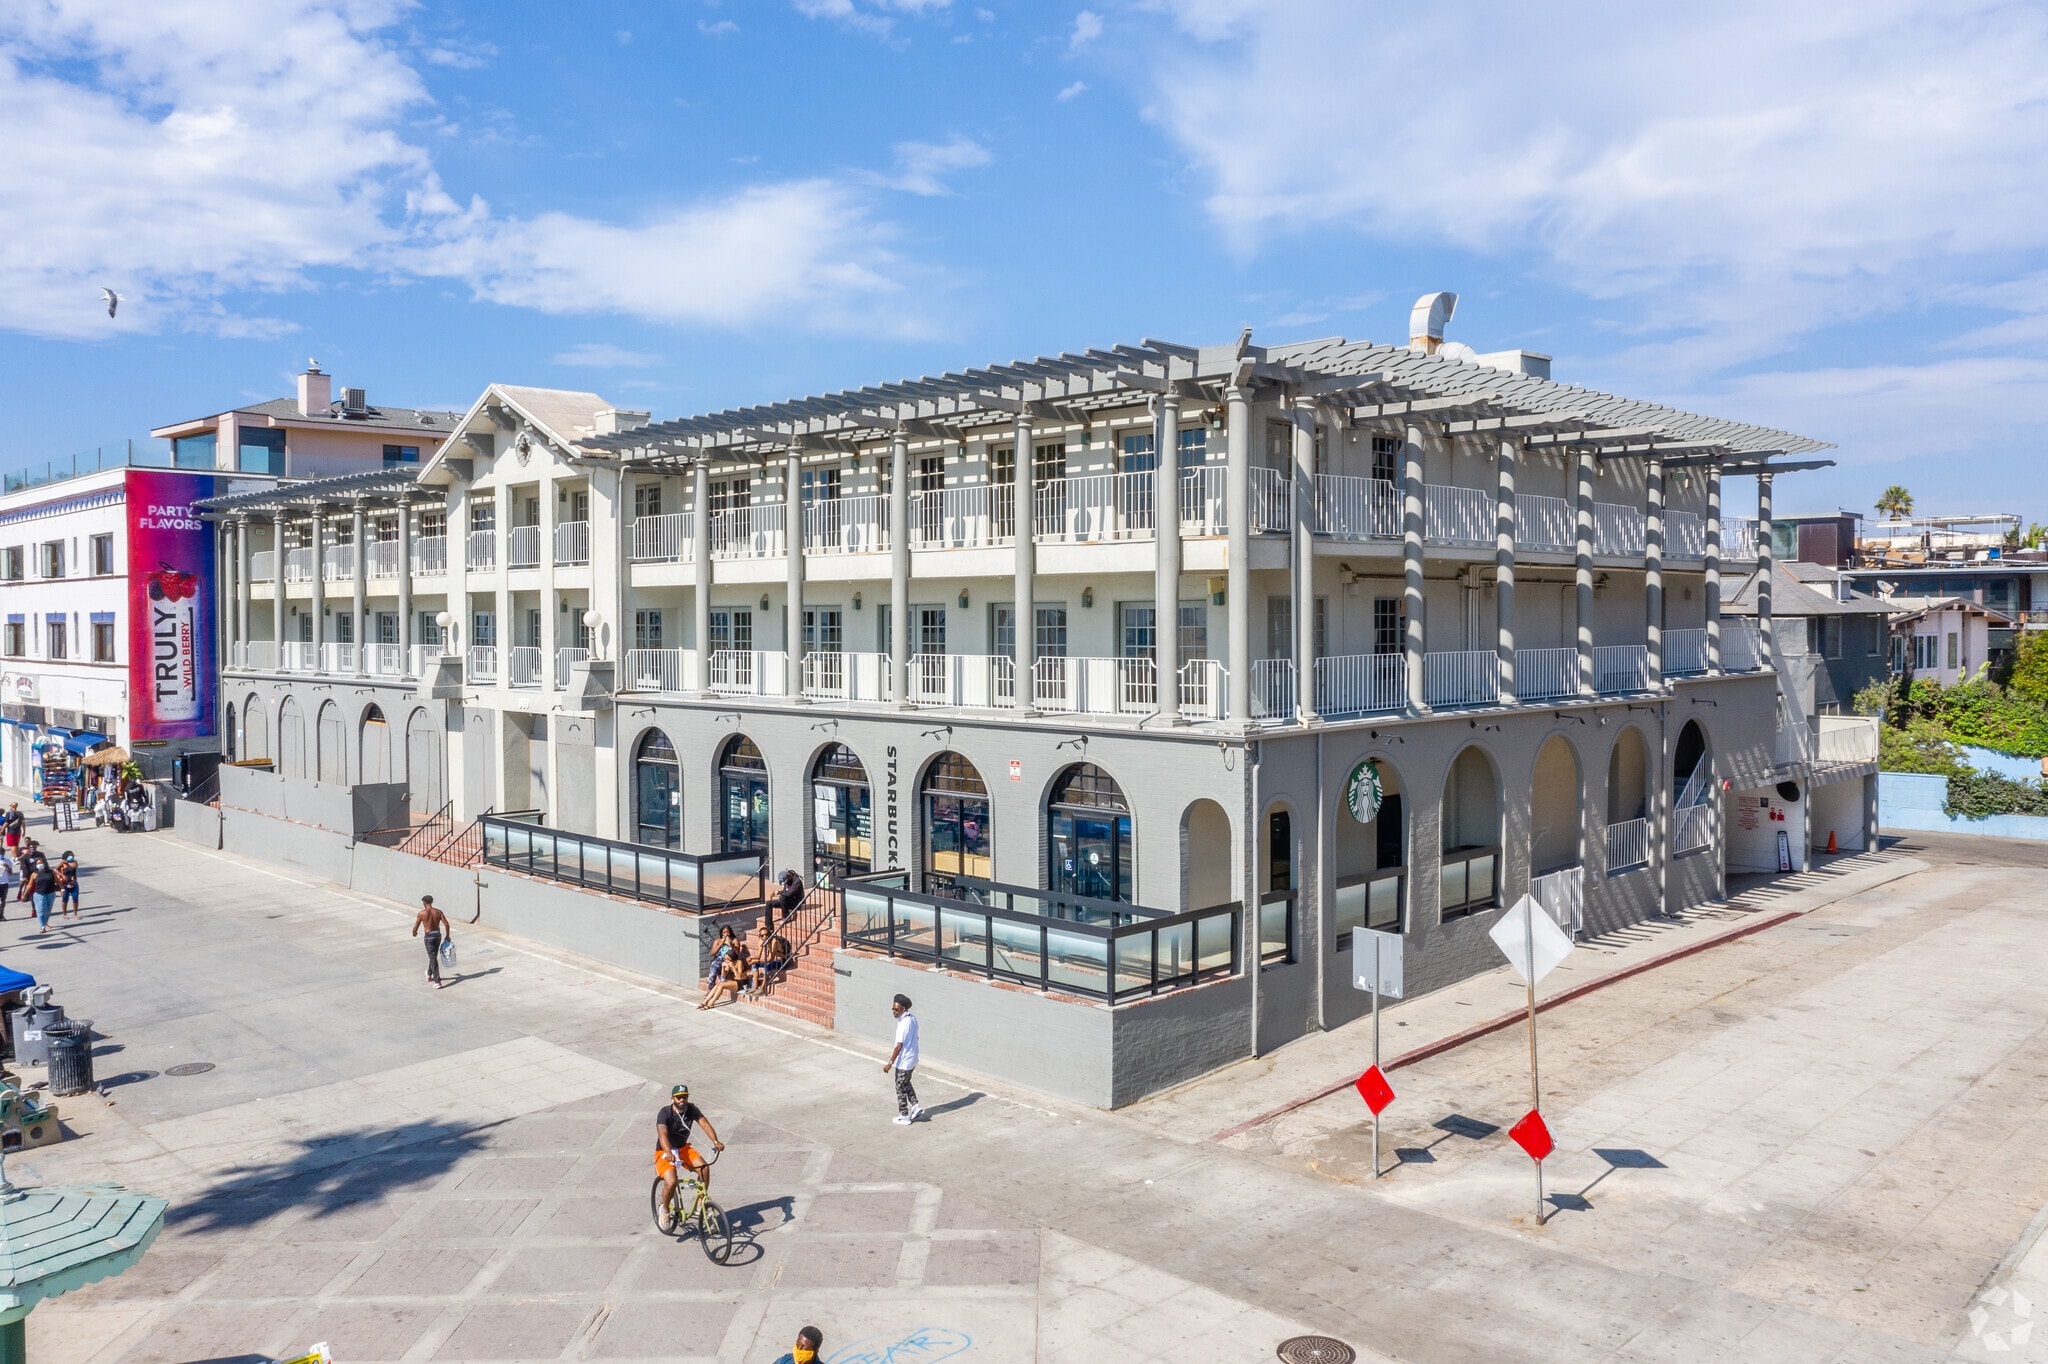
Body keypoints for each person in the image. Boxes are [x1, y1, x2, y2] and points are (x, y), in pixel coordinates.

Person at [654, 1082, 724, 1211]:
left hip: (683, 1148)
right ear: (672, 1098)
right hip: (664, 1151)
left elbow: (705, 1124)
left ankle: (700, 1203)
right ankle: (665, 1209)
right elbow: (662, 1133)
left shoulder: (691, 1109)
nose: (682, 1100)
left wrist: (716, 1142)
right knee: (671, 1182)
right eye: (678, 1097)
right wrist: (668, 1152)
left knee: (704, 1169)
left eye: (684, 1097)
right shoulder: (665, 1113)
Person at [883, 993, 922, 1124]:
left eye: (897, 1009)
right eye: (893, 1009)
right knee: (905, 1082)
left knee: (899, 1086)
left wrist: (889, 1063)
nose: (894, 1012)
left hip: (905, 1060)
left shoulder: (903, 1024)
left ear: (903, 1009)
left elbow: (898, 1047)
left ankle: (904, 1115)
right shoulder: (912, 1019)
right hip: (913, 1058)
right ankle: (915, 1106)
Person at [411, 894, 451, 989]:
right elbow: (447, 925)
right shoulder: (438, 912)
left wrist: (414, 933)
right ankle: (429, 973)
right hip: (437, 935)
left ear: (424, 903)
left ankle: (437, 981)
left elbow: (415, 928)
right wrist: (448, 936)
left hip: (428, 936)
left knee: (433, 957)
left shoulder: (421, 913)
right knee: (433, 955)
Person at [698, 941, 750, 1010]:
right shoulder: (729, 963)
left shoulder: (739, 962)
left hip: (742, 983)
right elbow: (724, 976)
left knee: (722, 985)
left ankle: (711, 1003)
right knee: (718, 984)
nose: (726, 960)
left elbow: (739, 977)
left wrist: (733, 967)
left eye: (728, 959)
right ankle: (705, 1001)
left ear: (733, 958)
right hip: (735, 982)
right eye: (725, 959)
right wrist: (723, 967)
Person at [749, 925, 791, 997]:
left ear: (770, 935)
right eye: (762, 935)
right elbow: (758, 956)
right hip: (771, 960)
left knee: (767, 966)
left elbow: (770, 959)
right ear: (760, 936)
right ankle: (755, 987)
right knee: (754, 965)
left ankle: (762, 989)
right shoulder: (761, 941)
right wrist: (751, 958)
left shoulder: (774, 941)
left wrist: (756, 961)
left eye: (766, 934)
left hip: (781, 961)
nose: (765, 937)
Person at [704, 925, 739, 990]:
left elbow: (737, 953)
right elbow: (712, 953)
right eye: (724, 932)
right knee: (712, 973)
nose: (726, 934)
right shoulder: (718, 940)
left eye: (727, 932)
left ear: (730, 932)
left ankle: (717, 990)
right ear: (721, 933)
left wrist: (731, 944)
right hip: (718, 959)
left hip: (728, 960)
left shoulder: (734, 940)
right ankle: (710, 989)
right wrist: (720, 944)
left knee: (723, 977)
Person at [27, 857, 56, 934]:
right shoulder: (34, 874)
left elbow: (58, 881)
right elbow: (29, 885)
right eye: (38, 864)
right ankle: (42, 926)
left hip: (50, 893)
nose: (40, 865)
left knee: (48, 910)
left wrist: (62, 889)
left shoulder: (51, 872)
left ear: (45, 863)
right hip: (39, 894)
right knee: (41, 911)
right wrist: (24, 894)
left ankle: (45, 922)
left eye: (41, 863)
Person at [54, 854, 78, 920]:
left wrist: (66, 862)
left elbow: (74, 866)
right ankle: (65, 914)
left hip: (74, 883)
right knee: (65, 899)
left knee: (75, 899)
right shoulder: (62, 864)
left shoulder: (74, 862)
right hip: (65, 884)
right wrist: (62, 875)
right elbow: (55, 870)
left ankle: (75, 914)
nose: (71, 857)